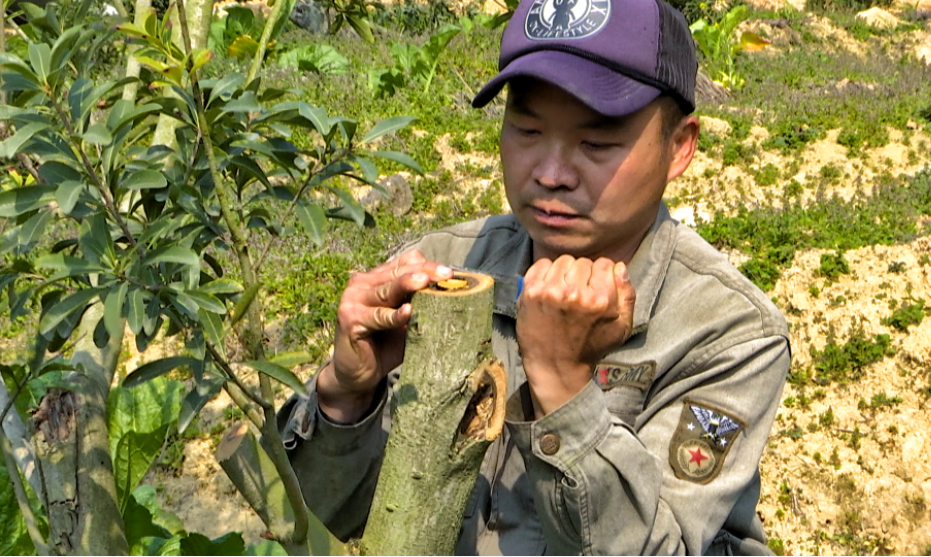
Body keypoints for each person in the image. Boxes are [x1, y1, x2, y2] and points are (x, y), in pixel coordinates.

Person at [277, 0, 791, 554]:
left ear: (679, 147)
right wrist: (346, 399)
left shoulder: (727, 331)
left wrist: (563, 385)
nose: (550, 173)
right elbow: (315, 520)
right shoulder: (446, 266)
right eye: (526, 129)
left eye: (596, 143)